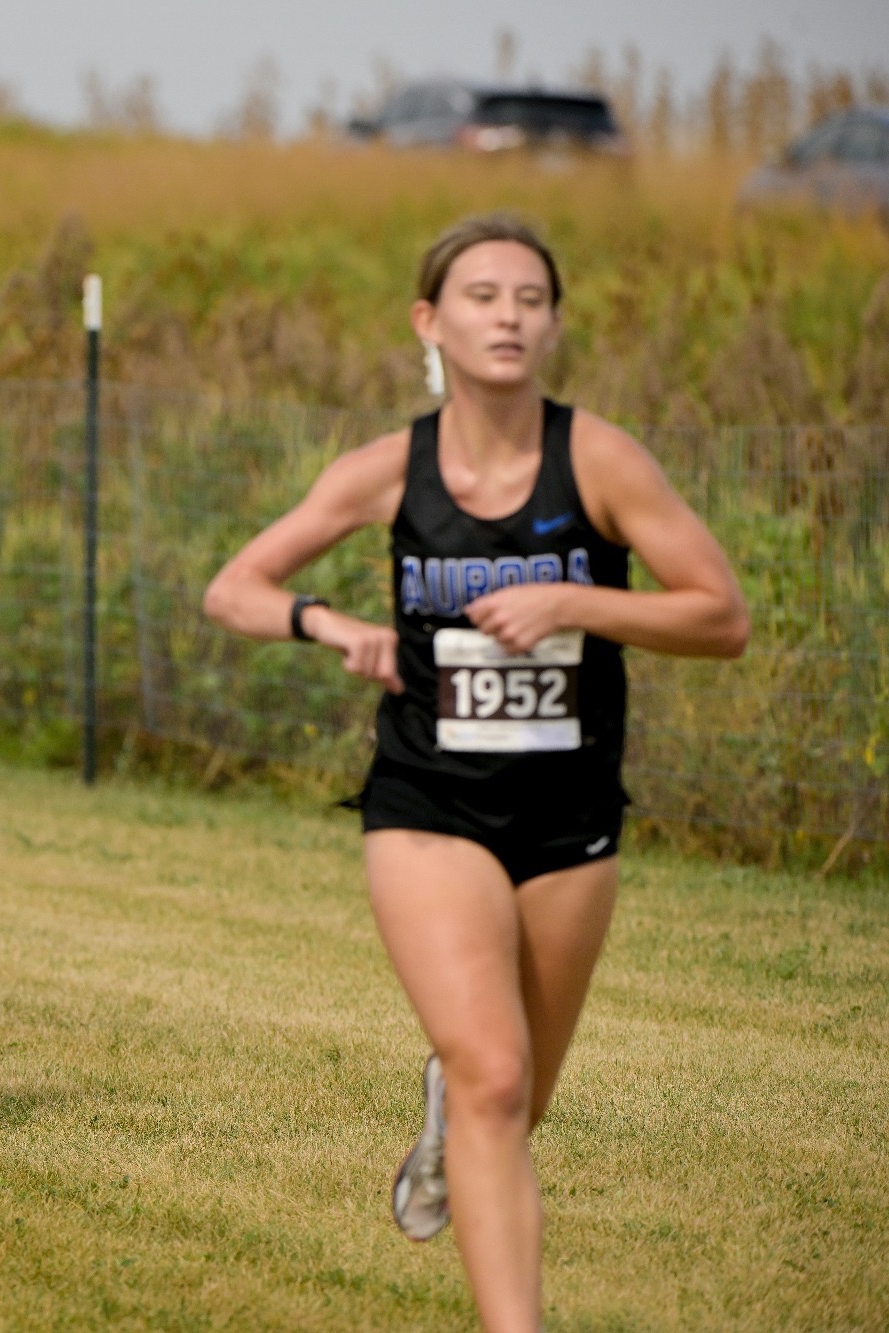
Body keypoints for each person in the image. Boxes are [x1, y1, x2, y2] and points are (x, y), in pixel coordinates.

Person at [202, 214, 747, 1332]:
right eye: (482, 296)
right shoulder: (387, 470)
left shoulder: (593, 458)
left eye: (529, 299)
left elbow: (719, 616)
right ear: (430, 321)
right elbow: (233, 588)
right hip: (425, 803)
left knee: (515, 1098)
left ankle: (449, 1109)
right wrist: (324, 623)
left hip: (567, 812)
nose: (507, 316)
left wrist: (574, 601)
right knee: (498, 1076)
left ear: (551, 323)